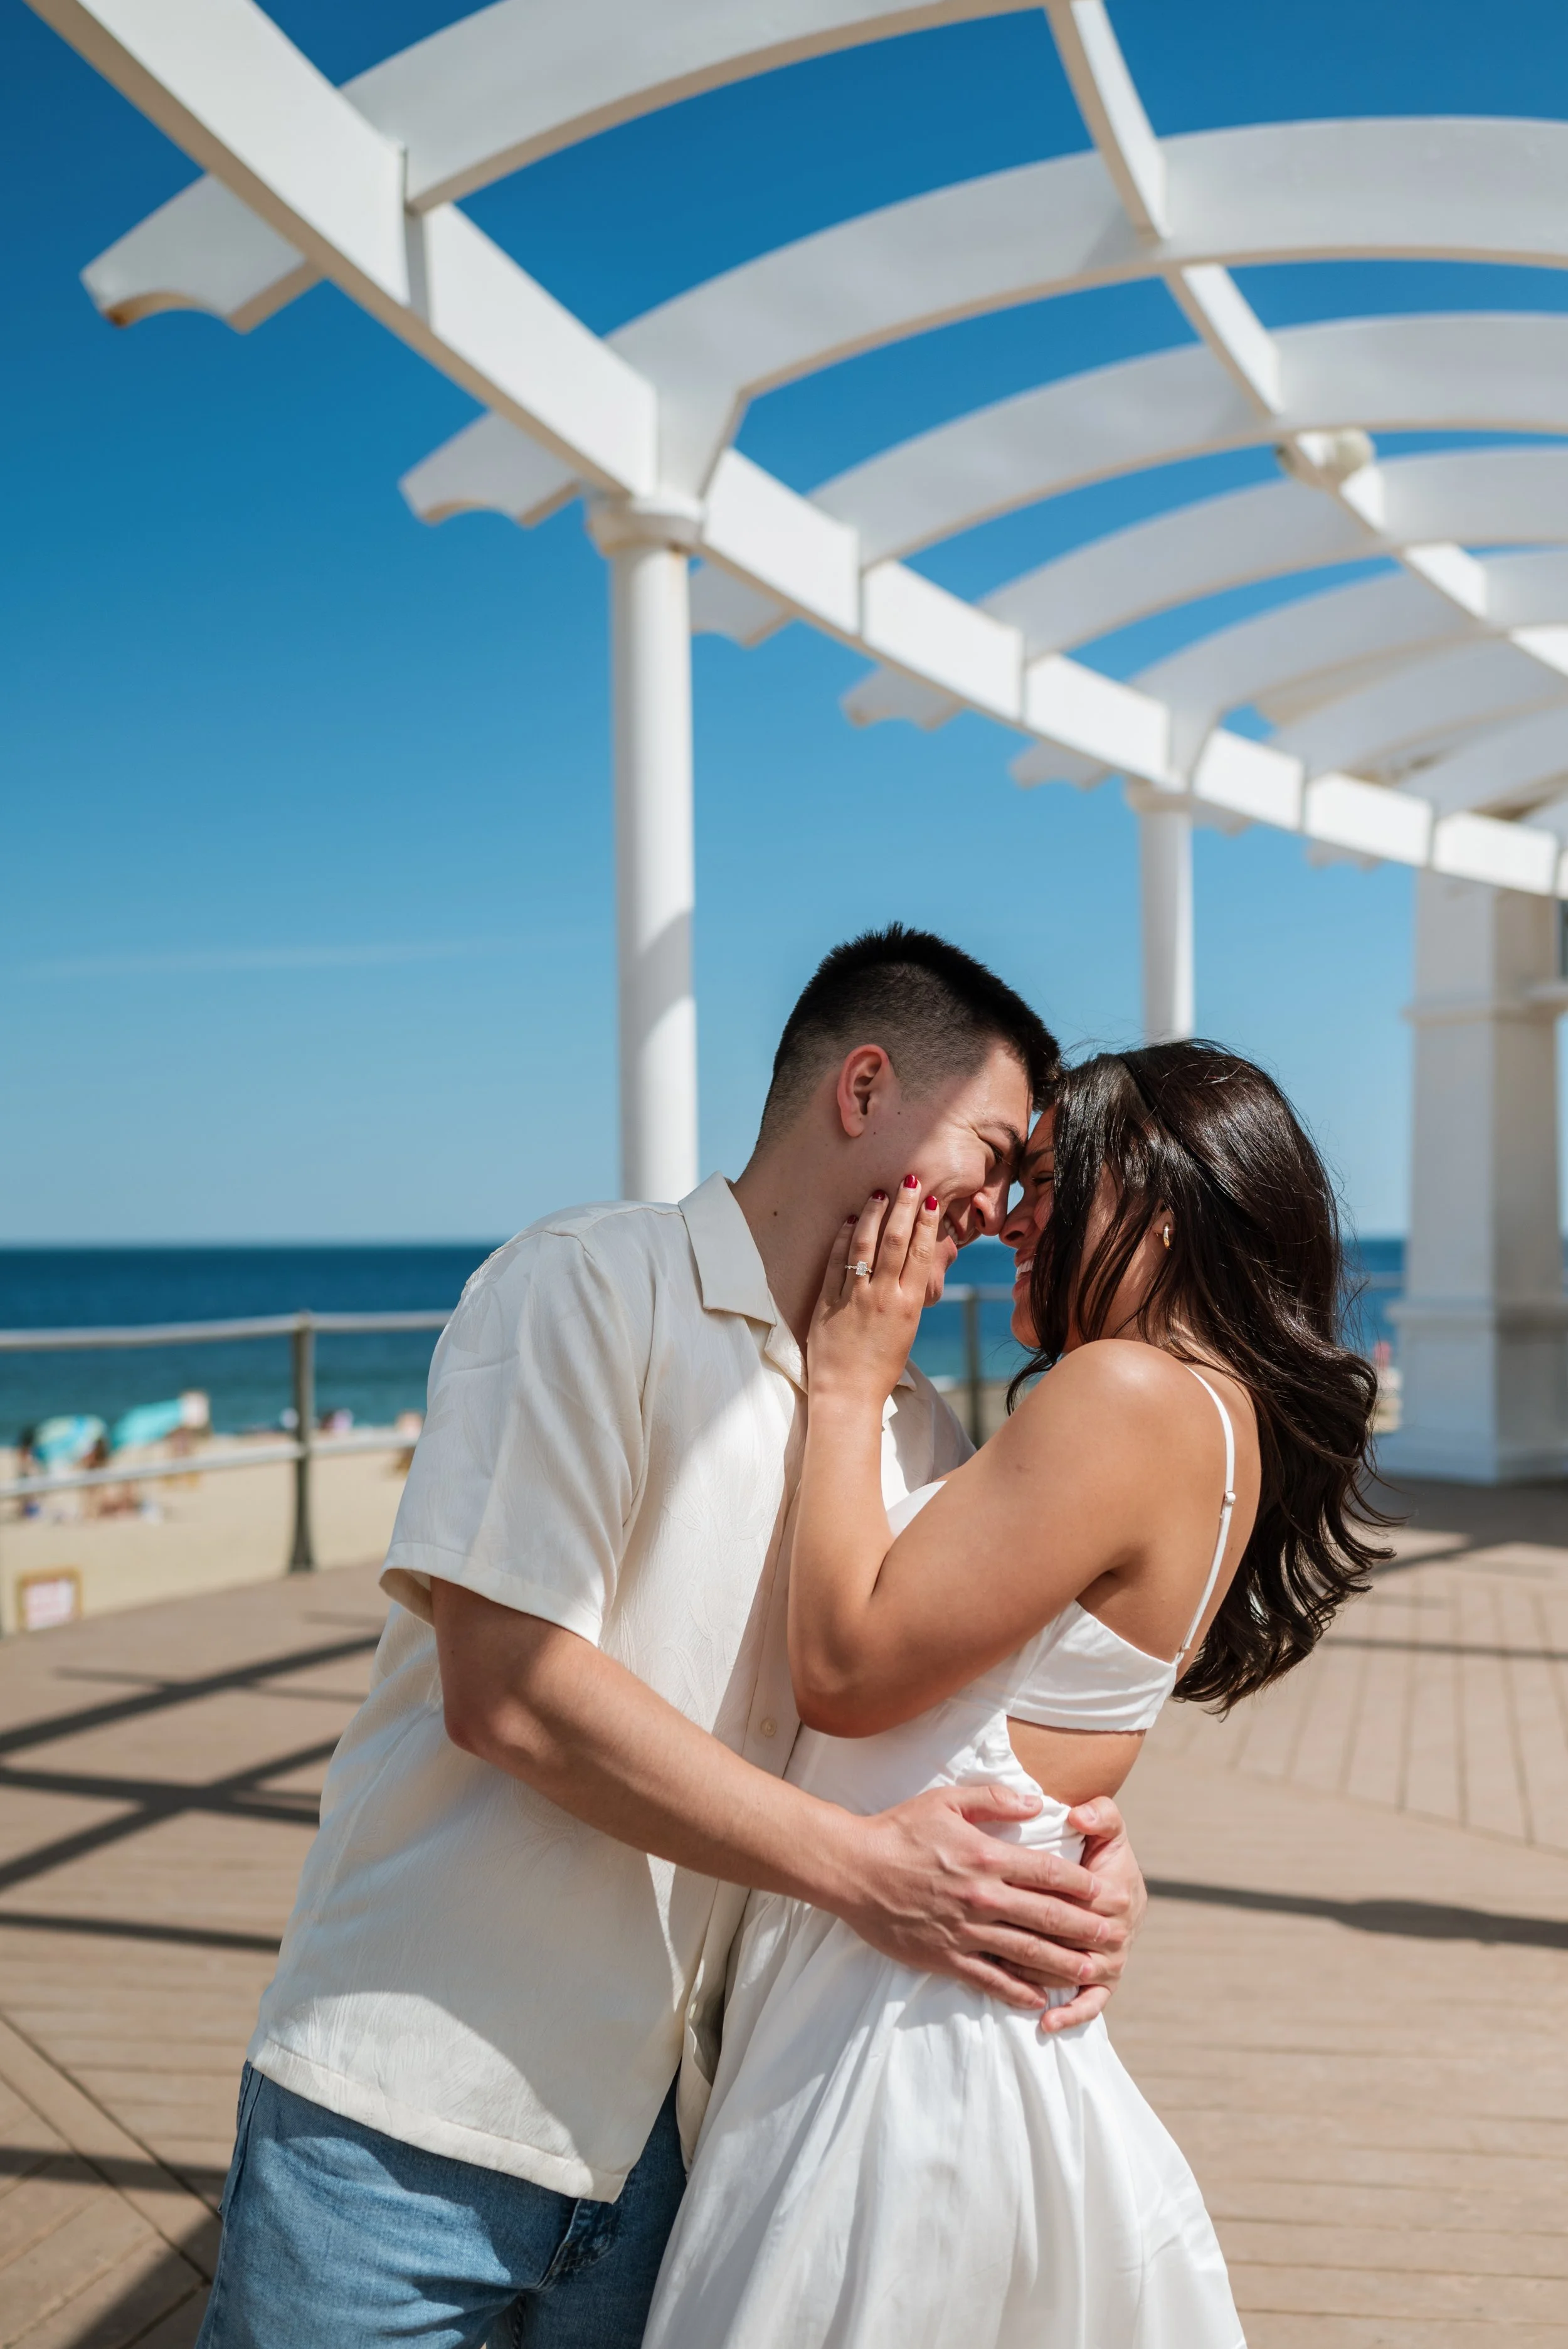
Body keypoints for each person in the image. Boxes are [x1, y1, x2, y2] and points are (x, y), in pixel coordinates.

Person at [194, 928, 1149, 2349]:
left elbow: (921, 1723)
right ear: (863, 1088)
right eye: (994, 1153)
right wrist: (865, 1875)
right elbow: (508, 1690)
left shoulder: (911, 1427)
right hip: (406, 2112)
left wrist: (1069, 1850)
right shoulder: (583, 1284)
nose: (1004, 1210)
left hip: (679, 2159)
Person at [644, 1041, 1387, 2348]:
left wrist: (848, 1378)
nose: (1007, 1226)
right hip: (947, 1976)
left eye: (1050, 1180)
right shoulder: (1217, 1416)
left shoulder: (1125, 1392)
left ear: (1154, 1203)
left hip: (904, 2025)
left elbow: (842, 1672)